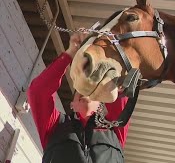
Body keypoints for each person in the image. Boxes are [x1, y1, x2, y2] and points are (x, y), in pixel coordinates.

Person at [27, 32, 129, 163]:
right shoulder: (55, 125)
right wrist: (71, 53)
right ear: (72, 105)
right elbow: (38, 92)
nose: (85, 91)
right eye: (80, 89)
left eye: (92, 90)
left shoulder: (114, 129)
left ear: (100, 104)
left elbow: (119, 92)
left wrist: (107, 51)